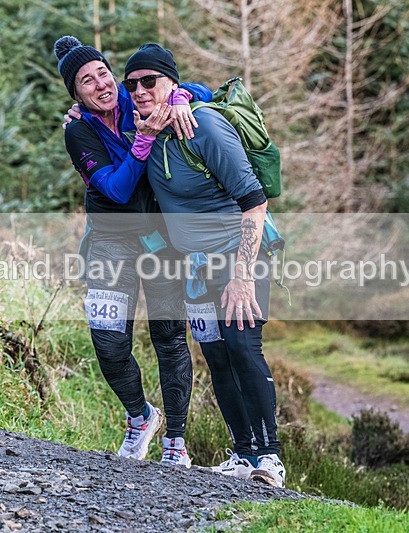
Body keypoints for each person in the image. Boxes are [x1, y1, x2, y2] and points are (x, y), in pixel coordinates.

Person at [123, 43, 286, 487]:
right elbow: (95, 102)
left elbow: (254, 202)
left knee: (241, 348)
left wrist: (241, 277)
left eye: (149, 81)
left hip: (240, 256)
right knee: (216, 355)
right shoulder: (146, 131)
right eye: (131, 84)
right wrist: (75, 115)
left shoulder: (203, 126)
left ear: (171, 83)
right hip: (196, 267)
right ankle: (242, 453)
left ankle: (269, 460)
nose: (139, 91)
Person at [54, 36, 210, 467]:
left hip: (161, 239)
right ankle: (141, 417)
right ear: (76, 94)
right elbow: (117, 189)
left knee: (168, 337)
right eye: (87, 81)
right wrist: (142, 141)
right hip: (112, 238)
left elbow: (202, 90)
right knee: (107, 339)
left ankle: (175, 441)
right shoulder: (79, 131)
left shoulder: (133, 94)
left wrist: (178, 98)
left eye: (103, 72)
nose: (101, 84)